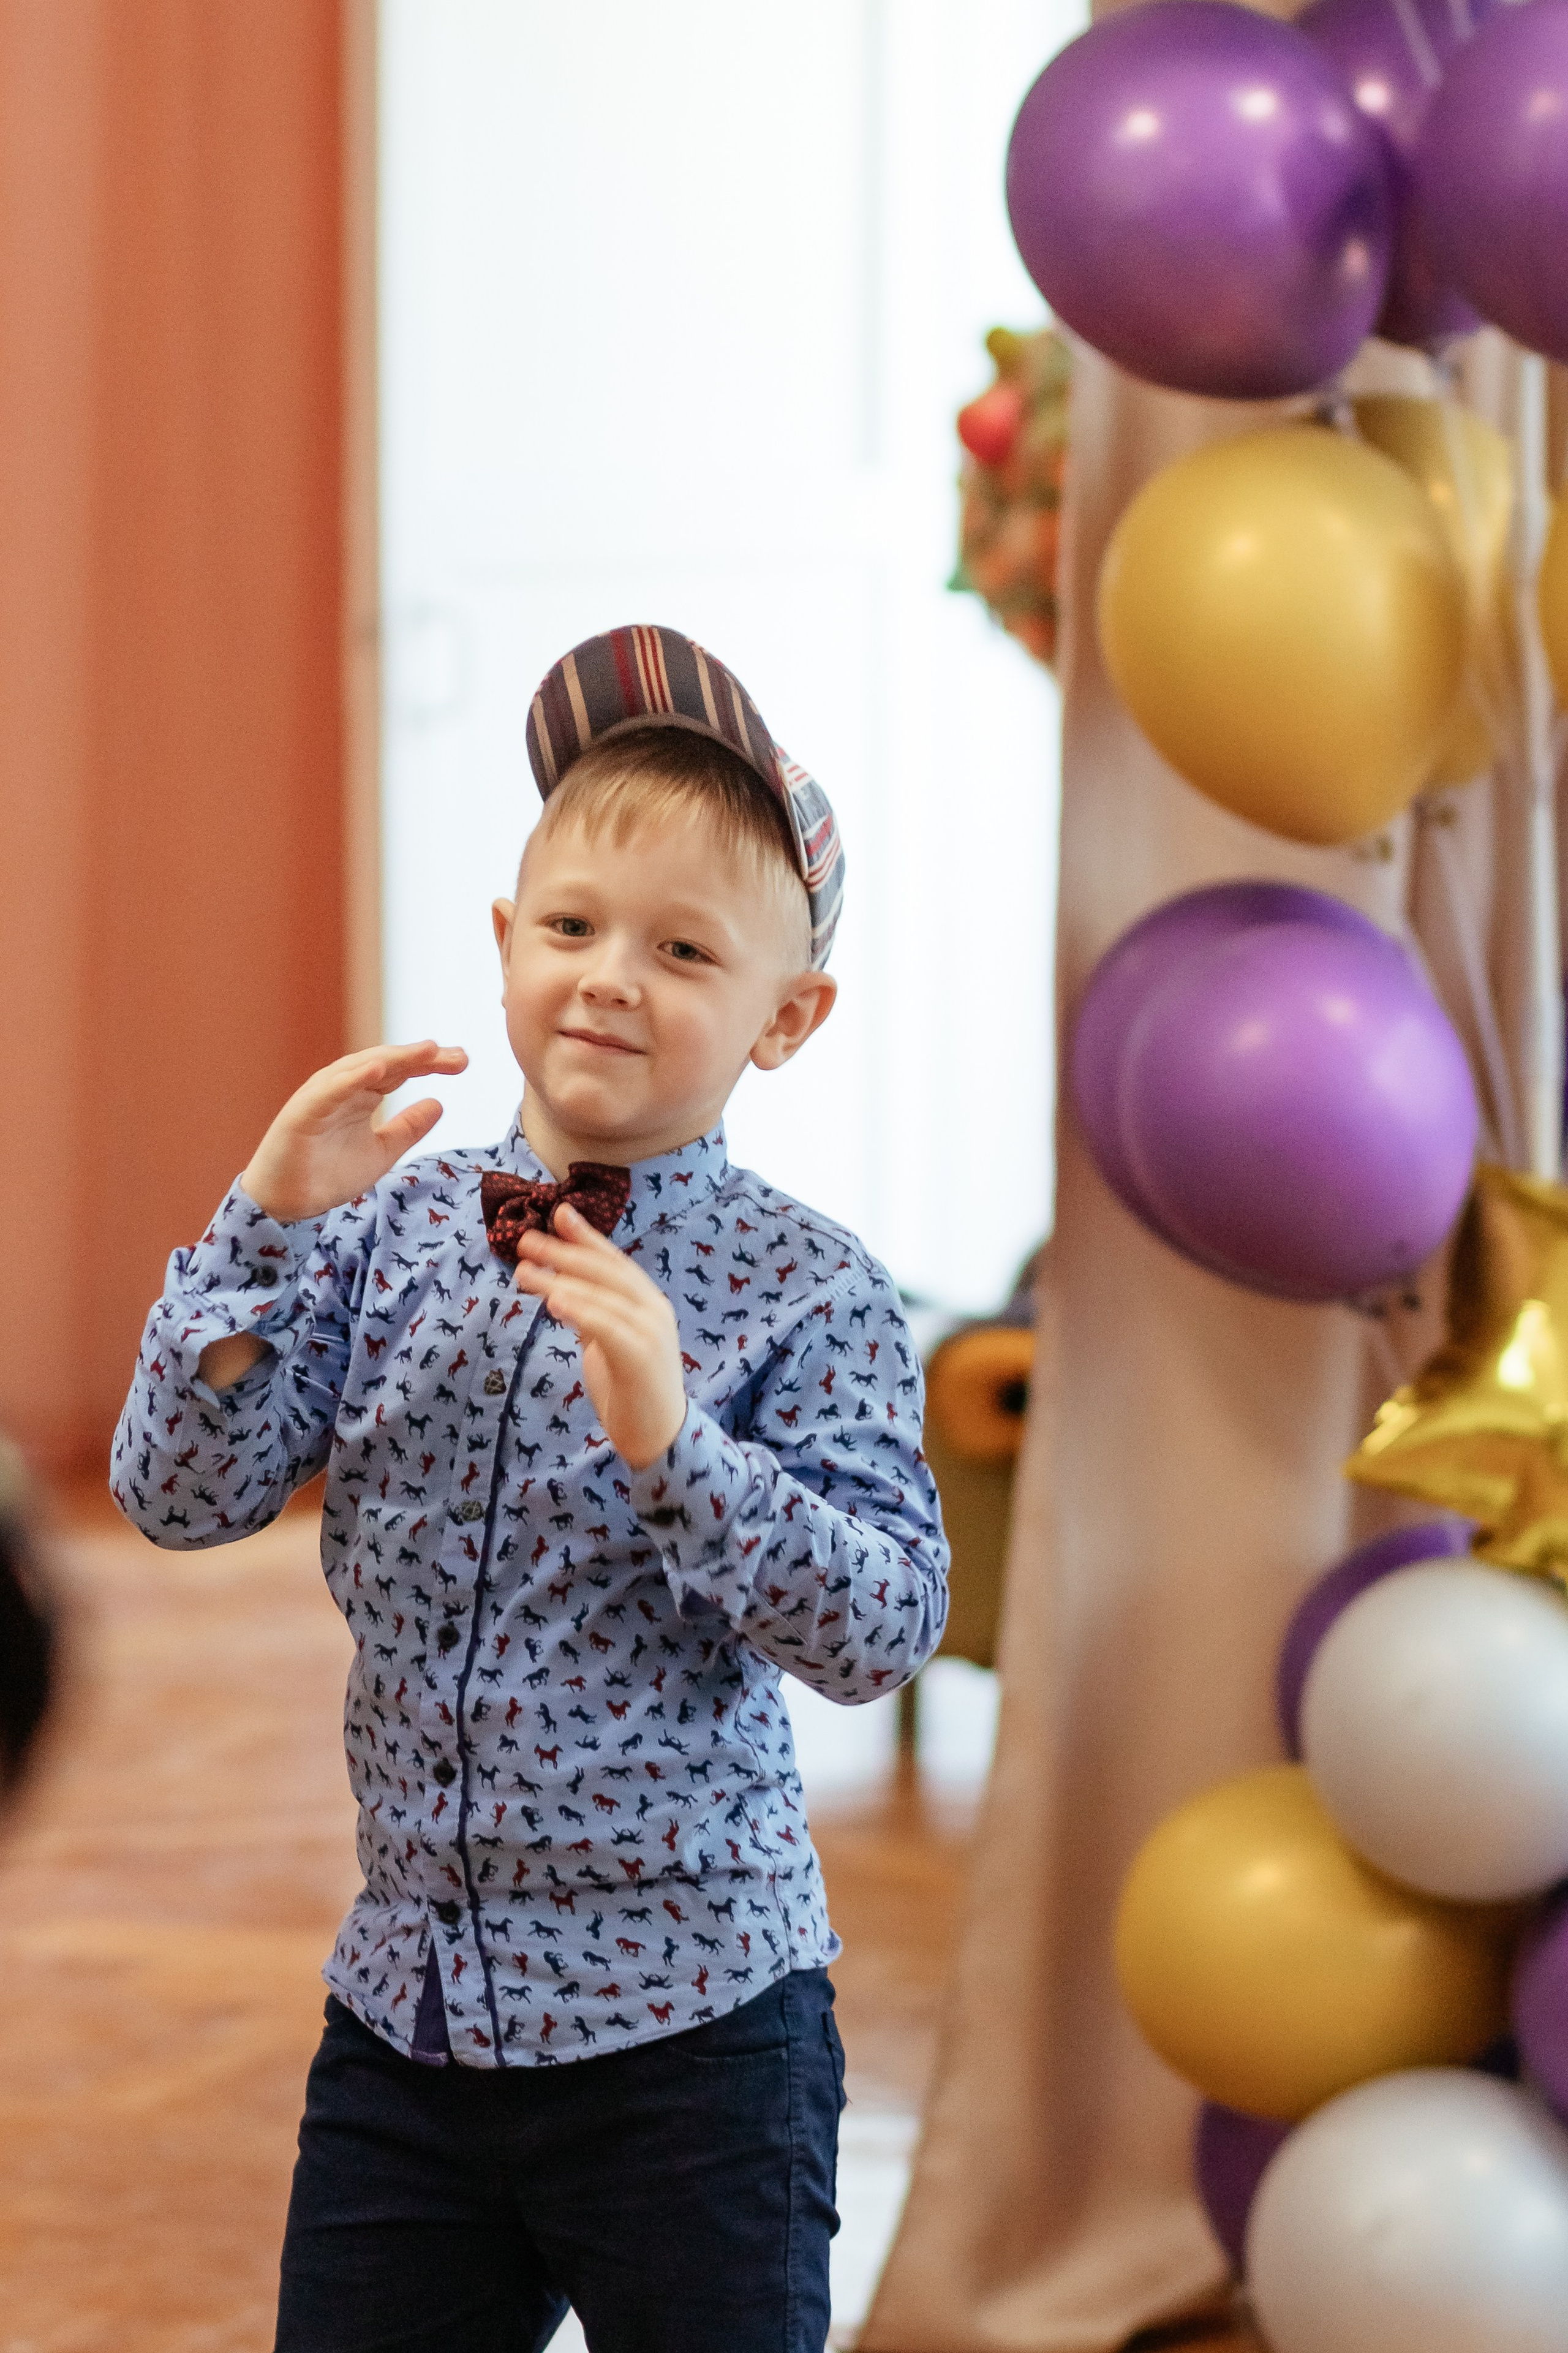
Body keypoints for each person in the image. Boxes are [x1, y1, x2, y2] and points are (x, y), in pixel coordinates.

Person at [113, 624, 950, 2353]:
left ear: (787, 1018)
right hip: (408, 2026)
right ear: (506, 944)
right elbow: (176, 1495)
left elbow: (886, 1625)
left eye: (686, 947)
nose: (610, 976)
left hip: (698, 2039)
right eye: (570, 926)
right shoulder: (384, 1228)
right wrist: (262, 1218)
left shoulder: (816, 1291)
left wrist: (681, 1454)